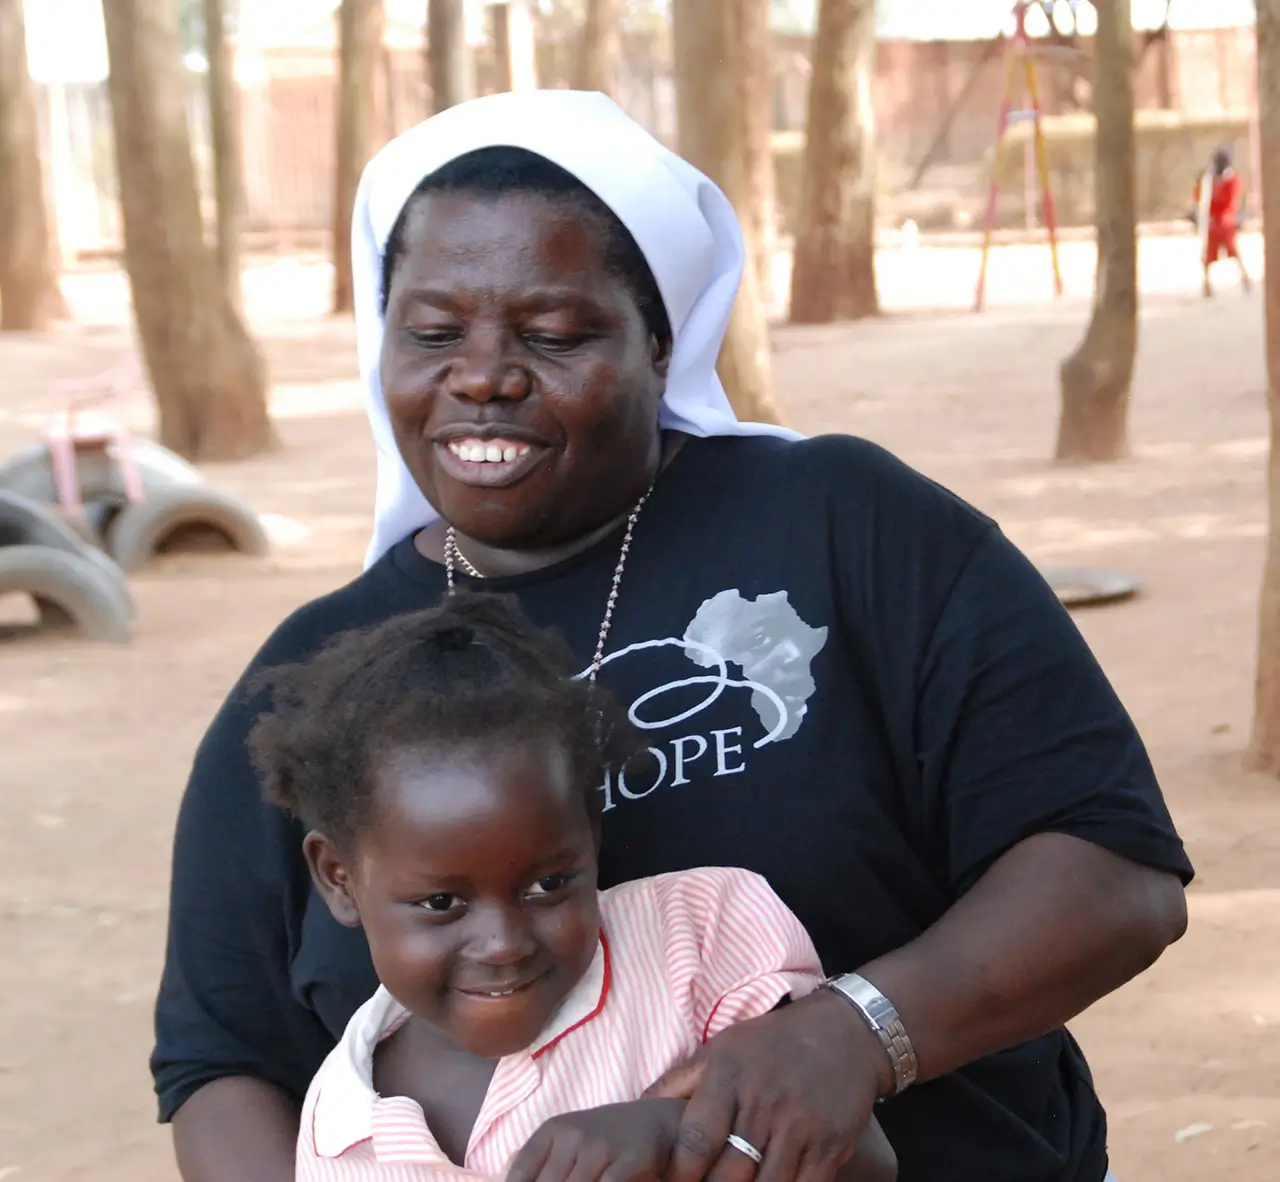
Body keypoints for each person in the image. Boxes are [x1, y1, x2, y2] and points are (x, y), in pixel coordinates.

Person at [152, 89, 1192, 1182]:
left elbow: (1111, 871)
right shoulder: (314, 683)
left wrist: (853, 1033)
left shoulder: (847, 525)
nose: (483, 375)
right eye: (431, 332)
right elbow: (223, 1061)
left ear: (660, 338)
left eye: (552, 334)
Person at [246, 592, 897, 1182]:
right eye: (442, 903)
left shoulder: (694, 941)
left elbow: (869, 1160)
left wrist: (678, 1136)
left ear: (590, 831)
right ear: (339, 879)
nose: (503, 943)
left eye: (548, 884)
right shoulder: (341, 1131)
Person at [1194, 146, 1251, 297]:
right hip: (1212, 223)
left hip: (1225, 221)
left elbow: (1230, 200)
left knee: (1233, 251)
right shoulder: (1208, 179)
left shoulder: (1231, 179)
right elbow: (1200, 197)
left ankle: (1245, 277)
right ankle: (1206, 284)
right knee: (1208, 255)